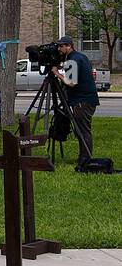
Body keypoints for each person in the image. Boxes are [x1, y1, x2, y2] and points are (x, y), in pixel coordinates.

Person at [54, 35, 98, 169]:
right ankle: (84, 157)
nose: (59, 49)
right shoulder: (80, 57)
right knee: (83, 130)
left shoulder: (72, 60)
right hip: (87, 99)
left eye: (62, 46)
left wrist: (56, 73)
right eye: (58, 46)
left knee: (83, 131)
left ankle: (85, 160)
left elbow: (71, 83)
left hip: (82, 101)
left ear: (69, 46)